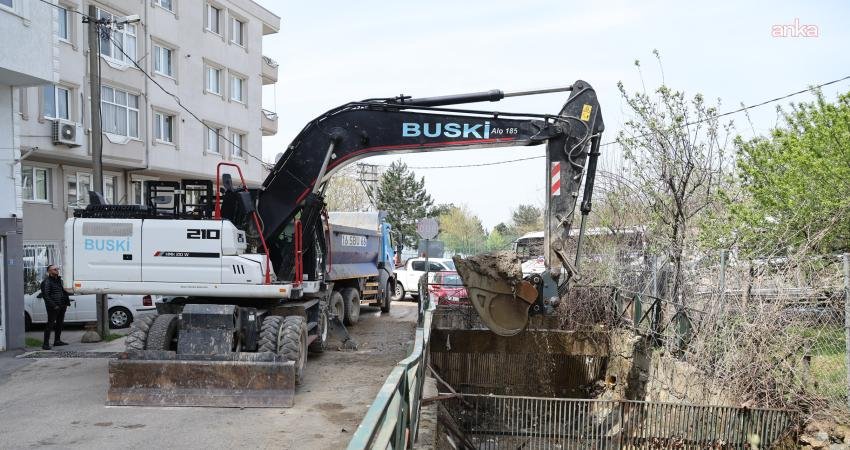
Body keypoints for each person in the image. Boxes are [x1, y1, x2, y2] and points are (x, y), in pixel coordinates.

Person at [39, 264, 70, 350]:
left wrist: (65, 301)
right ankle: (45, 344)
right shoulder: (46, 282)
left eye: (57, 269)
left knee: (59, 323)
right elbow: (46, 296)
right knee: (50, 324)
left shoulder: (59, 280)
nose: (57, 270)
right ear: (49, 271)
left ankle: (57, 341)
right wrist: (54, 305)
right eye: (54, 269)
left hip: (62, 305)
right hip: (53, 307)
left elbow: (62, 292)